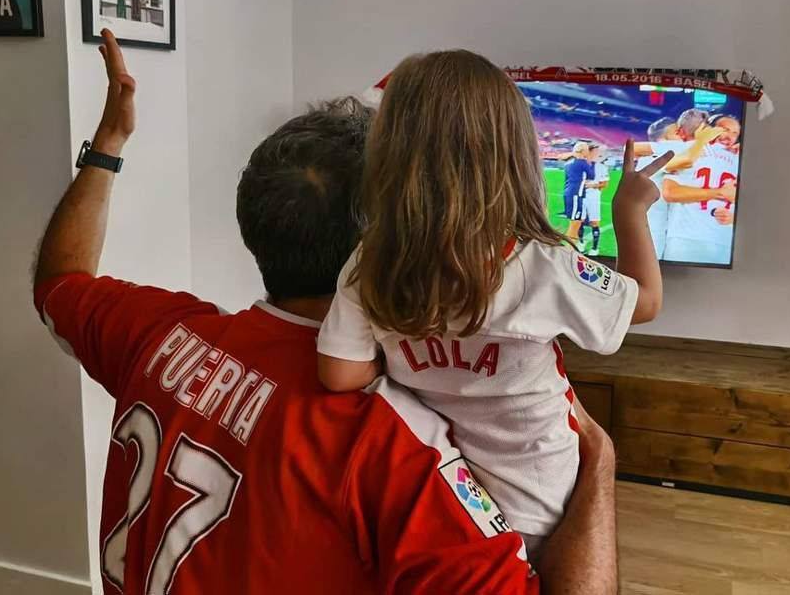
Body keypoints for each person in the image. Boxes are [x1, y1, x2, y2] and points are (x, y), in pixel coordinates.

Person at [32, 31, 619, 594]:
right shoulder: (395, 443)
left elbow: (59, 279)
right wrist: (598, 474)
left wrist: (108, 145)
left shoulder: (161, 336)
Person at [316, 50, 672, 558]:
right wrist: (629, 208)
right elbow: (646, 300)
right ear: (516, 154)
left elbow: (339, 375)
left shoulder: (369, 263)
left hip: (440, 503)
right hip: (542, 504)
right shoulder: (546, 264)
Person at [662, 113, 741, 265]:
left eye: (735, 133)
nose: (729, 136)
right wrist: (718, 193)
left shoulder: (740, 160)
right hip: (685, 239)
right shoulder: (690, 152)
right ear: (709, 129)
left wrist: (735, 217)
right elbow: (671, 193)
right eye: (724, 129)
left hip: (724, 242)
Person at [560, 141, 594, 247]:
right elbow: (591, 175)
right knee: (575, 223)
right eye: (587, 150)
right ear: (583, 151)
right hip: (576, 195)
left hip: (568, 193)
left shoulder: (568, 163)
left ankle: (569, 247)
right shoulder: (582, 163)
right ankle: (568, 248)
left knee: (574, 222)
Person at [580, 144, 609, 257]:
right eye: (595, 152)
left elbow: (604, 184)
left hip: (593, 197)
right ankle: (580, 243)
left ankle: (595, 248)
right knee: (579, 220)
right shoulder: (580, 164)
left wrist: (592, 185)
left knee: (594, 222)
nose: (597, 154)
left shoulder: (601, 167)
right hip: (580, 196)